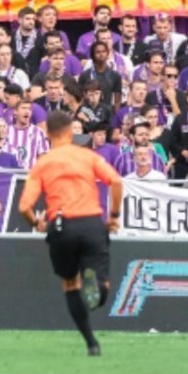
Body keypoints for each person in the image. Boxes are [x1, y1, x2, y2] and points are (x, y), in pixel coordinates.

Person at [18, 111, 124, 357]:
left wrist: (36, 222)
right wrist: (114, 216)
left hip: (60, 226)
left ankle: (91, 343)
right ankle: (96, 288)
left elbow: (24, 206)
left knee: (69, 283)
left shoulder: (43, 163)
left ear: (47, 134)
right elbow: (116, 182)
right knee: (101, 285)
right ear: (70, 132)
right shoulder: (86, 156)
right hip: (90, 223)